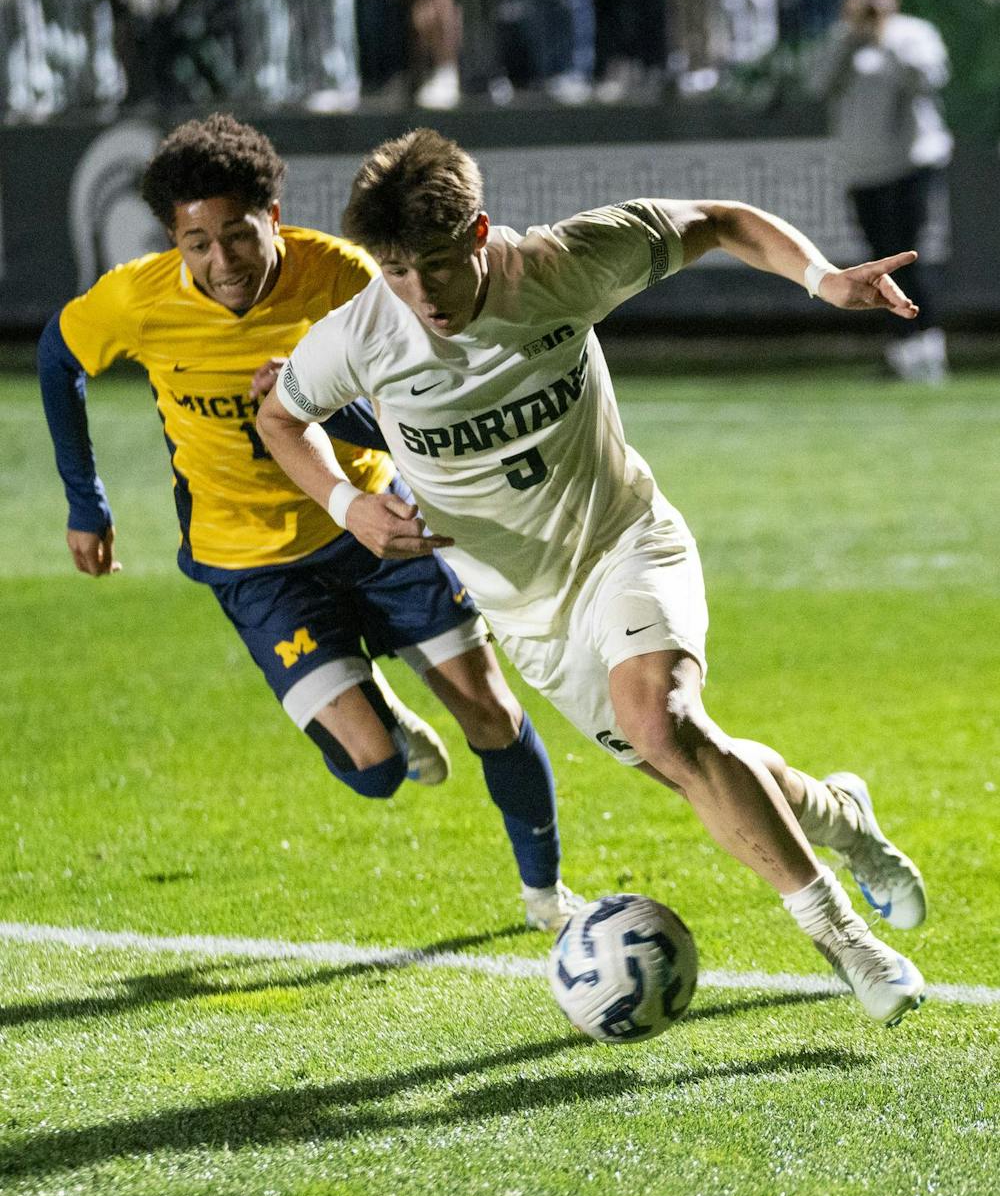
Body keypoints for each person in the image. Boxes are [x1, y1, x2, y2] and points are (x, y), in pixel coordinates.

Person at [257, 127, 930, 1029]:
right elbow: (279, 418)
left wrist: (823, 279)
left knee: (664, 721)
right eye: (396, 272)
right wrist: (348, 507)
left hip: (623, 542)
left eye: (437, 267)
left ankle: (845, 941)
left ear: (481, 232)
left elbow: (722, 221)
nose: (420, 295)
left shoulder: (565, 263)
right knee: (691, 763)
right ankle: (843, 817)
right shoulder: (359, 336)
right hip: (527, 613)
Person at [37, 114, 580, 933]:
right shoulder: (138, 300)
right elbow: (57, 358)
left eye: (238, 236)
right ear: (172, 241)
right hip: (252, 563)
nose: (222, 263)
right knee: (376, 773)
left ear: (274, 216)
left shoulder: (346, 278)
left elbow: (407, 409)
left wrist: (311, 402)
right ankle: (383, 716)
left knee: (491, 711)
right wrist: (86, 501)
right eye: (197, 244)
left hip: (374, 528)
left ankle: (546, 896)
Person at [811, 0, 953, 383]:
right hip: (863, 170)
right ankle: (902, 350)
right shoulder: (841, 40)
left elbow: (930, 79)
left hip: (911, 162)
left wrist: (885, 39)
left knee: (907, 255)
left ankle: (928, 347)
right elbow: (818, 85)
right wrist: (853, 39)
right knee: (877, 264)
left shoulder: (914, 33)